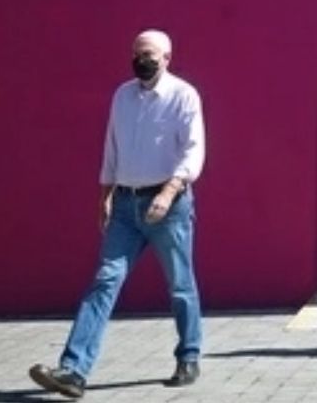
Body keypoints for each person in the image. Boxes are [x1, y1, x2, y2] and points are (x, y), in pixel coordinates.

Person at [30, 29, 206, 399]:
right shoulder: (122, 96)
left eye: (149, 54)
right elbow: (112, 148)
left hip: (168, 205)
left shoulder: (183, 95)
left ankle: (188, 356)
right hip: (126, 205)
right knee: (105, 280)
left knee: (179, 284)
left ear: (167, 58)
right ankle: (73, 370)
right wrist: (105, 196)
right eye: (137, 53)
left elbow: (194, 150)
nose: (141, 60)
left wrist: (169, 191)